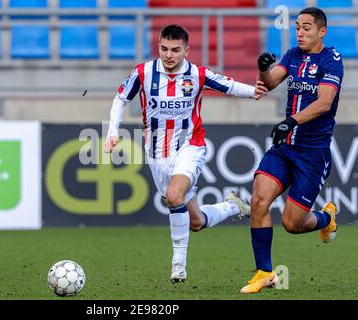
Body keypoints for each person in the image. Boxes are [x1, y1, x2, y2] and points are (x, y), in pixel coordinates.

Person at [103, 24, 268, 283]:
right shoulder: (144, 72)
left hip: (190, 145)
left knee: (174, 195)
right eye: (164, 48)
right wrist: (113, 131)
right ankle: (231, 205)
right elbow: (121, 99)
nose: (168, 55)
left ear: (186, 51)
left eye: (175, 50)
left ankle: (178, 265)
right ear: (158, 46)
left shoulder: (197, 74)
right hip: (157, 152)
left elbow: (228, 84)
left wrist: (254, 91)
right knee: (197, 222)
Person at [240, 7, 343, 294]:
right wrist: (262, 67)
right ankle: (264, 272)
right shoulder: (292, 55)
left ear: (322, 31)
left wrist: (291, 121)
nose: (300, 32)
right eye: (298, 26)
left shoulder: (331, 60)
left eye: (307, 27)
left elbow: (324, 103)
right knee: (259, 199)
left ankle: (327, 218)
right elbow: (271, 82)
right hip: (285, 147)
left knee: (292, 223)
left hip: (312, 153)